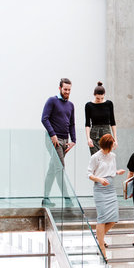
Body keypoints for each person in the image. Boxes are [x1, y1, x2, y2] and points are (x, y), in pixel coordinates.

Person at [87, 134, 125, 258]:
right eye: (113, 143)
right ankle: (101, 247)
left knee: (113, 218)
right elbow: (89, 174)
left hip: (110, 187)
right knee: (102, 218)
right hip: (100, 188)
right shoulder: (95, 157)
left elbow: (110, 171)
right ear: (108, 145)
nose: (115, 144)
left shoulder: (112, 156)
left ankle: (99, 237)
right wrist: (99, 179)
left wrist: (116, 172)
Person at [41, 78, 76, 207]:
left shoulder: (71, 105)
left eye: (69, 90)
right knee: (60, 168)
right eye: (65, 89)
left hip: (65, 141)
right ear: (60, 88)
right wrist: (52, 134)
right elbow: (44, 118)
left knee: (53, 169)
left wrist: (74, 140)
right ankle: (67, 199)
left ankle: (45, 198)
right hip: (53, 140)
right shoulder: (52, 101)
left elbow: (72, 124)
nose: (67, 91)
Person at [85, 81, 117, 155]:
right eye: (97, 98)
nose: (100, 100)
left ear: (104, 95)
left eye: (102, 98)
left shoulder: (109, 104)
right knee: (95, 159)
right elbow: (87, 124)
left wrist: (115, 138)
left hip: (107, 135)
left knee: (106, 158)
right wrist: (88, 138)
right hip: (94, 135)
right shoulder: (89, 105)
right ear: (94, 95)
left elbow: (113, 122)